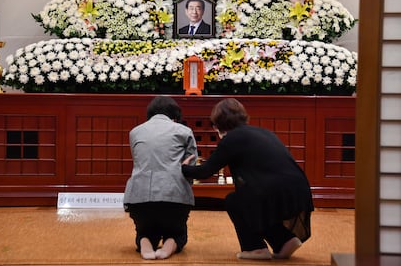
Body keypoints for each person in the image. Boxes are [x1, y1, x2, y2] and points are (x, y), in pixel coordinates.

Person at [182, 98, 314, 260]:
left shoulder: (232, 139)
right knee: (253, 201)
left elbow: (205, 172)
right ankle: (284, 240)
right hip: (299, 189)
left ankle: (255, 248)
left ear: (219, 123)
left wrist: (182, 167)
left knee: (234, 201)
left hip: (275, 192)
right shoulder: (263, 132)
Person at [123, 96, 198, 260]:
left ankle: (144, 241)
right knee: (178, 232)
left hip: (138, 198)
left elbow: (139, 162)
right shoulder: (184, 131)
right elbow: (190, 167)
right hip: (173, 197)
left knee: (144, 230)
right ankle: (170, 243)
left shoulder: (135, 132)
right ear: (175, 117)